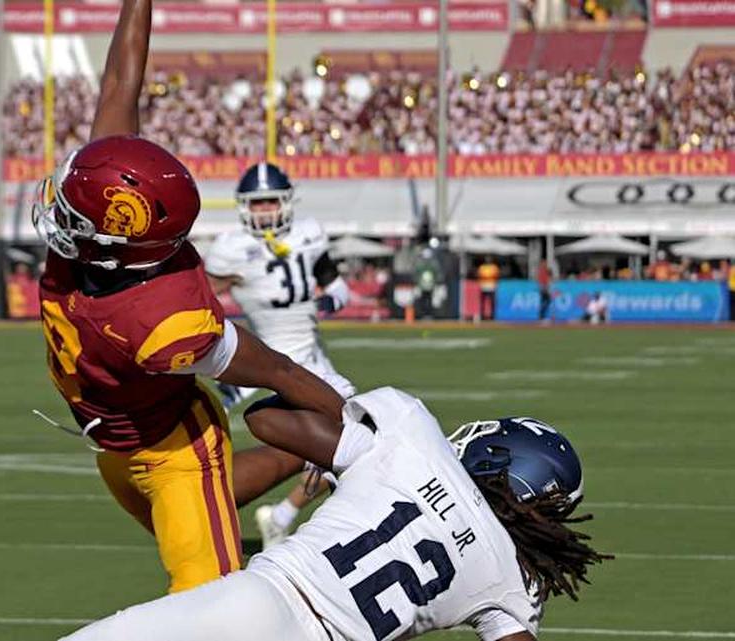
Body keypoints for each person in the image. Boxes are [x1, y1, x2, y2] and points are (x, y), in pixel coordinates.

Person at [33, 0, 346, 594]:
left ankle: (316, 449)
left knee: (209, 608)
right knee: (214, 502)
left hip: (173, 449)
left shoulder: (168, 319)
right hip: (113, 439)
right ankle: (296, 455)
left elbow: (275, 366)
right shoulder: (108, 238)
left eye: (74, 214)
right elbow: (121, 82)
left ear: (117, 242)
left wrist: (355, 426)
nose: (60, 216)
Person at [61, 388, 611, 641]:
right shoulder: (513, 579)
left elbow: (266, 421)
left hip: (260, 604)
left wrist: (341, 440)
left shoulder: (414, 438)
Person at [203, 161, 353, 549]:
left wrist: (332, 298)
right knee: (346, 440)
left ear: (286, 201)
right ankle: (255, 513)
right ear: (243, 207)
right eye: (258, 203)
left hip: (315, 360)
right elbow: (201, 298)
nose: (266, 210)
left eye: (271, 201)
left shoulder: (309, 234)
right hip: (273, 365)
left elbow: (333, 282)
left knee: (345, 444)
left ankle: (282, 516)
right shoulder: (233, 248)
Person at [477, 256, 499, 321]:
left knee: (492, 302)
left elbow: (496, 276)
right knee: (482, 303)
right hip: (483, 287)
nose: (488, 260)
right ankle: (482, 316)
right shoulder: (482, 267)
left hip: (492, 287)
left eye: (489, 259)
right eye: (487, 259)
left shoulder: (494, 267)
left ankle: (493, 316)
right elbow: (479, 276)